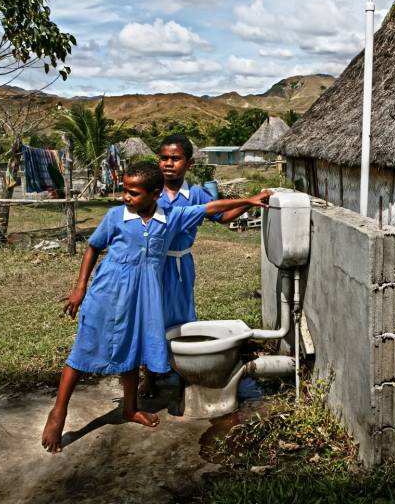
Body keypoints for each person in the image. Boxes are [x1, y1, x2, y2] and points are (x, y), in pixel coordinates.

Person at [41, 161, 269, 453]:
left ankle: (130, 408)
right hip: (107, 293)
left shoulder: (171, 218)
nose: (126, 197)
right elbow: (93, 247)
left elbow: (211, 208)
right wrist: (80, 288)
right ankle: (59, 412)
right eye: (125, 190)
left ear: (156, 194)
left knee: (133, 349)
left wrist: (248, 200)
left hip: (143, 298)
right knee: (84, 347)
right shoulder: (115, 217)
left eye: (134, 193)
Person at [138, 134, 263, 398]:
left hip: (182, 264)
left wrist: (253, 200)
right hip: (152, 264)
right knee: (151, 315)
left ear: (189, 164)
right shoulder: (151, 191)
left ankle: (183, 373)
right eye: (164, 158)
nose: (168, 164)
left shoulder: (195, 194)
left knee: (183, 319)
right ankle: (149, 374)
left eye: (175, 158)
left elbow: (222, 215)